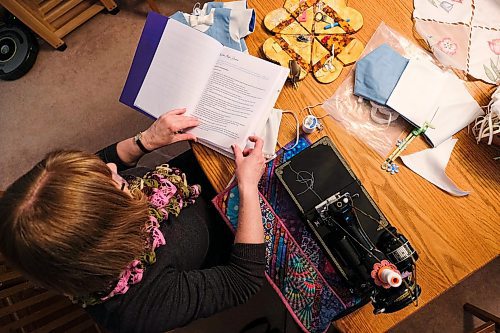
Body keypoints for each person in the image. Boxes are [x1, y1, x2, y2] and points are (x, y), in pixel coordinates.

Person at [0, 108, 267, 332]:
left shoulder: (83, 221)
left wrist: (145, 141)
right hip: (230, 231)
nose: (114, 168)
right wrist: (247, 187)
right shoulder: (138, 308)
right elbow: (242, 280)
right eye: (119, 185)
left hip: (191, 185)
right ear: (113, 231)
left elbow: (102, 163)